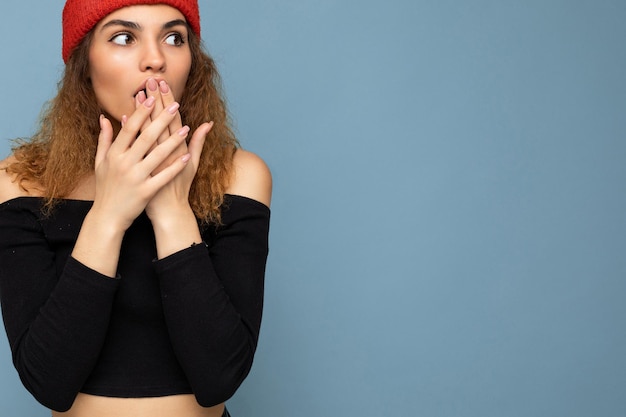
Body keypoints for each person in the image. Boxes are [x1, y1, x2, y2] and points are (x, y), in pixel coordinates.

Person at [0, 0, 272, 416]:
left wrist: (171, 210)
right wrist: (109, 214)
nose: (155, 59)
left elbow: (219, 376)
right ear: (83, 63)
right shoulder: (19, 181)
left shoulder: (240, 176)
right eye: (124, 37)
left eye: (173, 37)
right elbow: (48, 381)